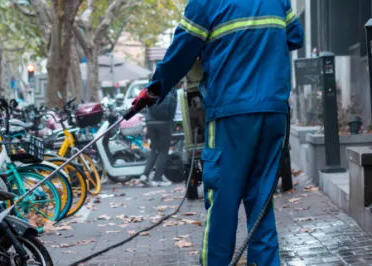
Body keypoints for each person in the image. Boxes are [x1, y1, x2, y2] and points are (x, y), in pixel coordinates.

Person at [128, 0, 303, 265]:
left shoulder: (205, 3)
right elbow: (295, 36)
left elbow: (181, 52)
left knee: (222, 202)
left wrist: (154, 89)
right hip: (274, 112)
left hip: (230, 115)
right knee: (262, 204)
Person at [139, 82, 179, 187]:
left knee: (154, 149)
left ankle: (144, 175)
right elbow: (173, 106)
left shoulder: (151, 84)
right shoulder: (171, 86)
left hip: (150, 121)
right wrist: (172, 122)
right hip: (164, 123)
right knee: (164, 150)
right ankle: (157, 179)